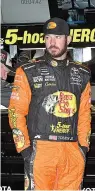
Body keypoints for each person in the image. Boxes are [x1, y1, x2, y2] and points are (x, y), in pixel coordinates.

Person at [8, 17, 91, 190]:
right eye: (48, 37)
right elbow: (15, 111)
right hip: (41, 150)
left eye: (58, 37)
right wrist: (25, 150)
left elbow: (84, 114)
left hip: (72, 150)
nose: (52, 42)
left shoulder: (82, 73)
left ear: (68, 39)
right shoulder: (28, 71)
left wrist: (83, 148)